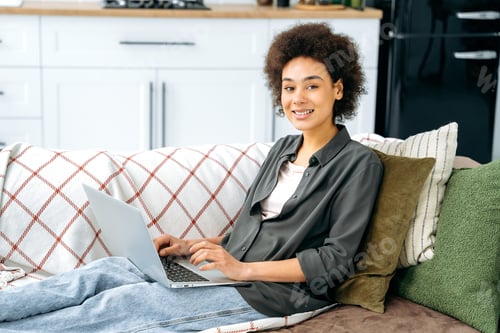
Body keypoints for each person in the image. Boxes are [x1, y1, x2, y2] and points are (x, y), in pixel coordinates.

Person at [0, 22, 383, 332]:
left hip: (271, 293)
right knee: (106, 271)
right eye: (288, 87)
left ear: (337, 88)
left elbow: (335, 261)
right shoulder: (282, 149)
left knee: (122, 304)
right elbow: (248, 233)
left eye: (311, 86)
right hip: (229, 271)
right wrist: (191, 246)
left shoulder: (358, 163)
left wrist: (240, 269)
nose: (297, 98)